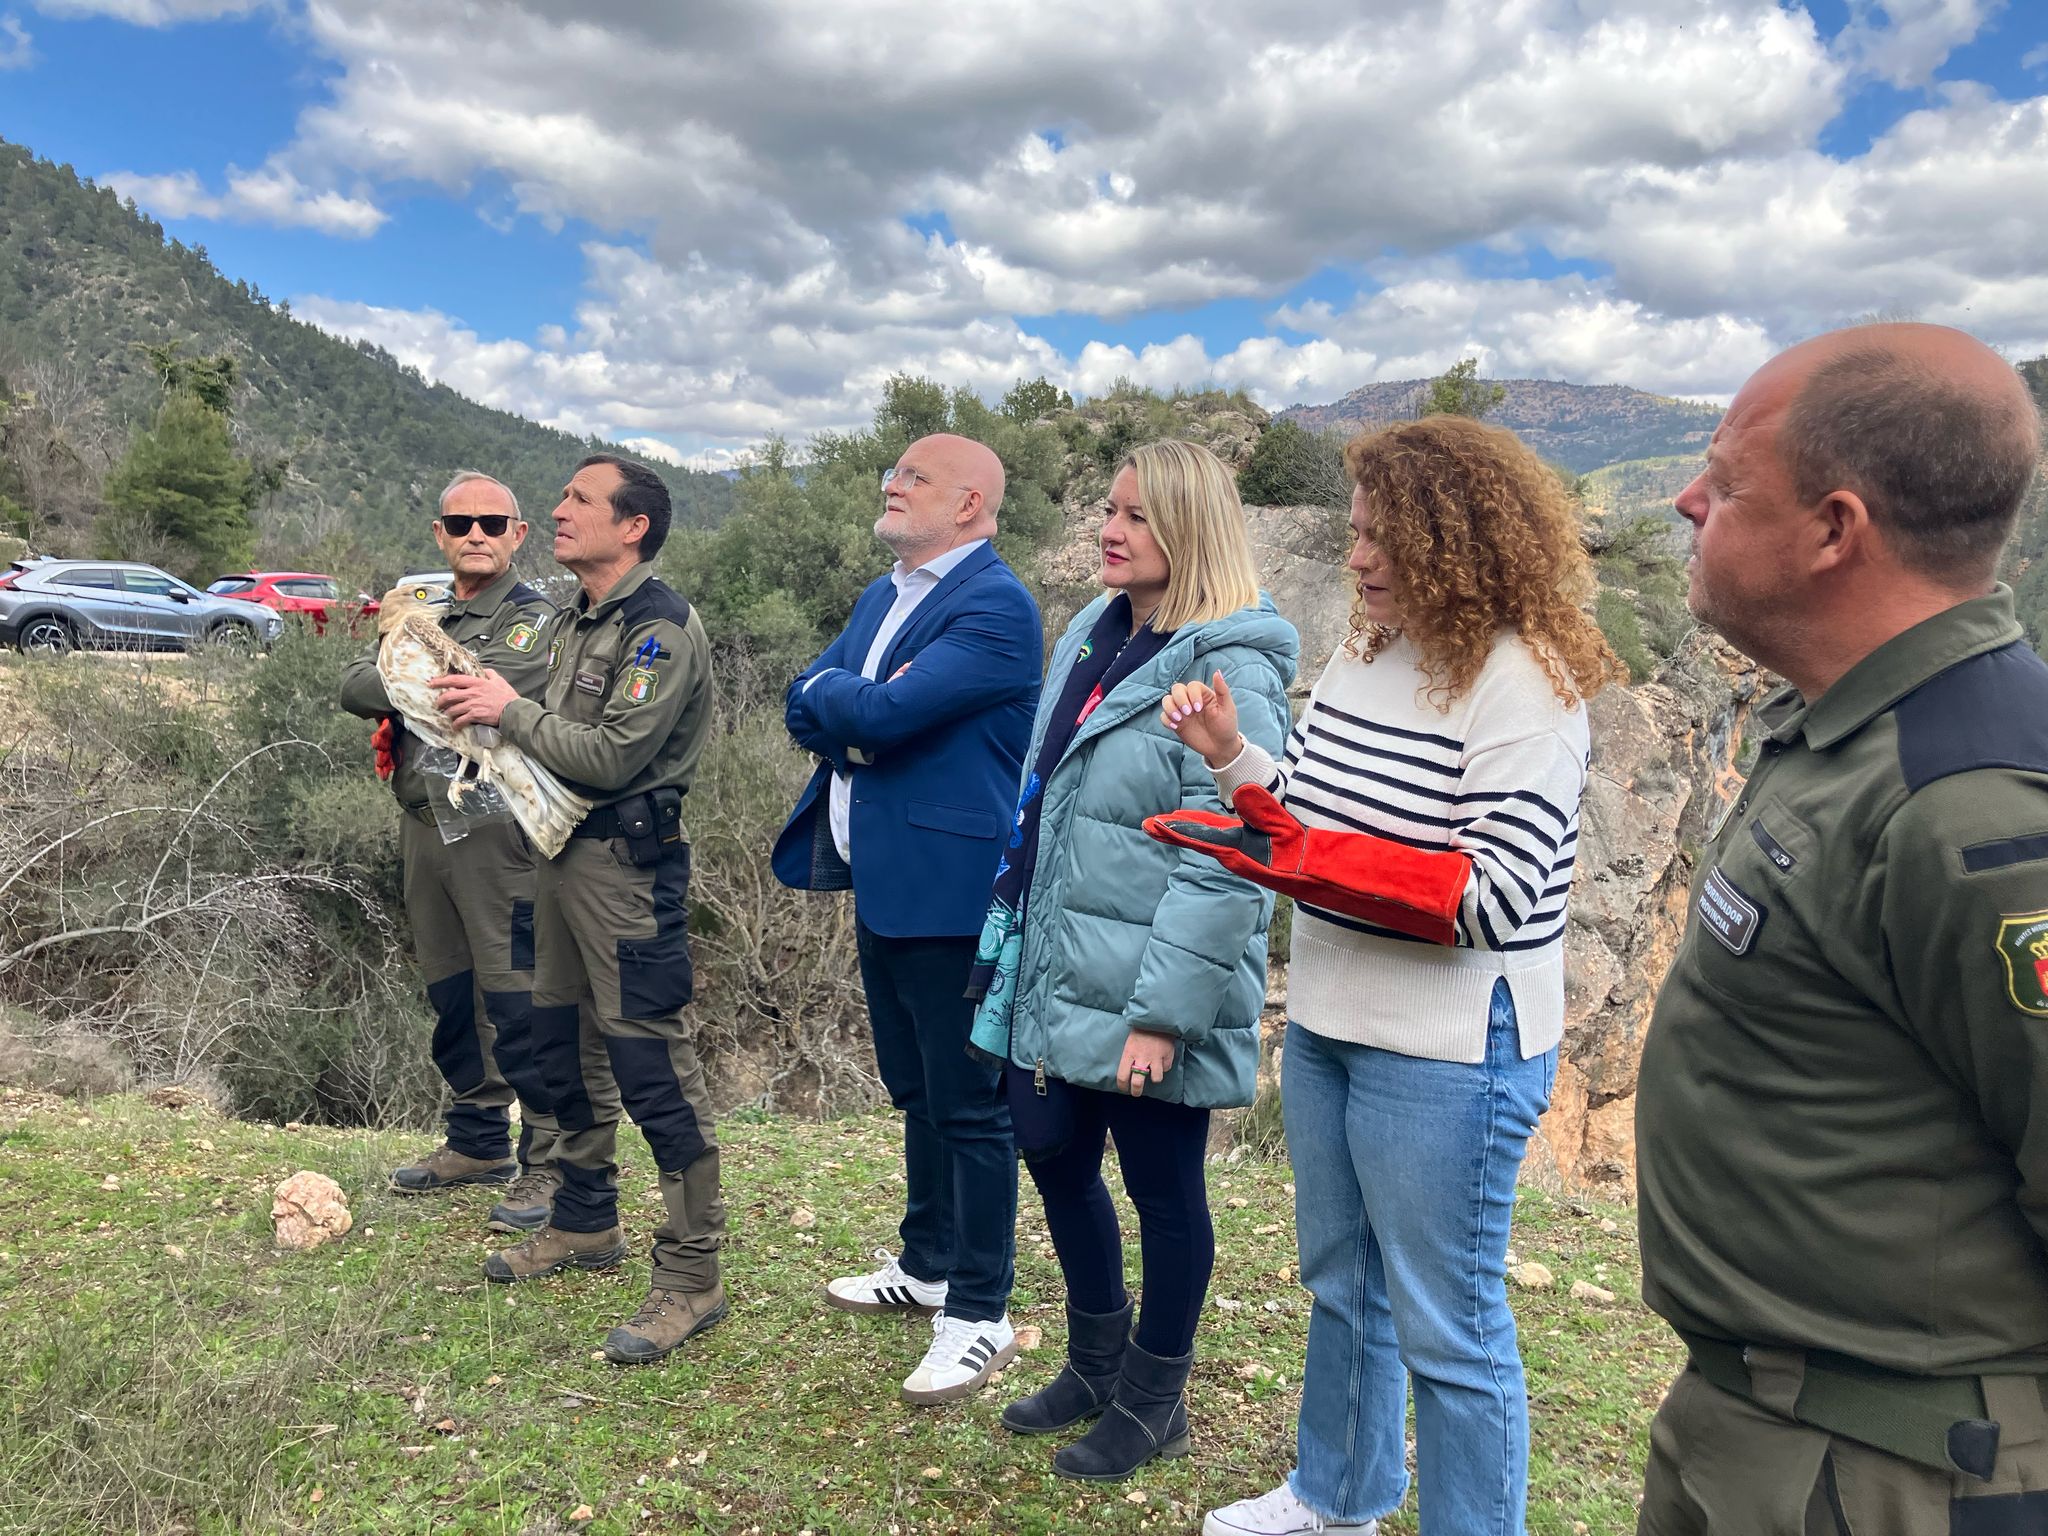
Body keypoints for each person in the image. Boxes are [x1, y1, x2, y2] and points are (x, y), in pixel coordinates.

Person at [1166, 416, 1623, 1536]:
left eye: (1384, 538)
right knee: (1342, 1281)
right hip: (1330, 1017)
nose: (1356, 557)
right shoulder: (1364, 653)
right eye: (1356, 531)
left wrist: (1300, 860)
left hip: (1450, 1050)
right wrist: (1233, 761)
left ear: (1456, 543)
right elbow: (1310, 817)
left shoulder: (1526, 684)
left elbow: (1492, 898)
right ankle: (1337, 1497)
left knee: (1448, 1328)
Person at [1627, 324, 2048, 1534]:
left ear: (1832, 530)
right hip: (1766, 1419)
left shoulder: (1969, 807)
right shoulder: (1850, 730)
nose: (1686, 500)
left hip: (1887, 1468)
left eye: (1725, 482)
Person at [967, 439, 1296, 1481]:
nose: (1111, 531)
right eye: (1110, 510)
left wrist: (1163, 1013)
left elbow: (1235, 851)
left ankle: (1155, 1401)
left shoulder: (1232, 666)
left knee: (1162, 1187)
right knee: (1053, 1154)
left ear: (1190, 529)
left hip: (1151, 979)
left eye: (1138, 517)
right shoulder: (1092, 630)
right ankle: (1094, 1363)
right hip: (1051, 954)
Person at [432, 453, 724, 1367]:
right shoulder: (576, 618)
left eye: (579, 500)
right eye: (561, 496)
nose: (558, 511)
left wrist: (507, 709)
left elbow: (609, 756)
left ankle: (691, 1276)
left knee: (651, 1068)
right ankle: (584, 1219)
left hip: (626, 875)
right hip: (555, 857)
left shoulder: (658, 628)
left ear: (632, 527)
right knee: (559, 1047)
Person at [771, 432, 1042, 1405]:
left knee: (968, 1104)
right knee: (916, 1089)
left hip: (951, 889)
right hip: (883, 880)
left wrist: (859, 716)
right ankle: (927, 1263)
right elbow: (804, 701)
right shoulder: (882, 597)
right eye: (894, 473)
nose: (892, 485)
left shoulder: (995, 606)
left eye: (914, 477)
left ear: (968, 503)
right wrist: (853, 712)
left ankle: (979, 1312)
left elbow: (878, 718)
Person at [338, 471, 562, 1229]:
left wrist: (404, 670)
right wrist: (405, 674)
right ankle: (476, 1138)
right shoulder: (432, 611)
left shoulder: (534, 621)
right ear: (439, 534)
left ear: (518, 534)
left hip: (497, 831)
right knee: (450, 989)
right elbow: (354, 683)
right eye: (461, 523)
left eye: (493, 523)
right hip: (425, 826)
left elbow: (468, 692)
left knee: (518, 994)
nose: (476, 535)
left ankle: (549, 1160)